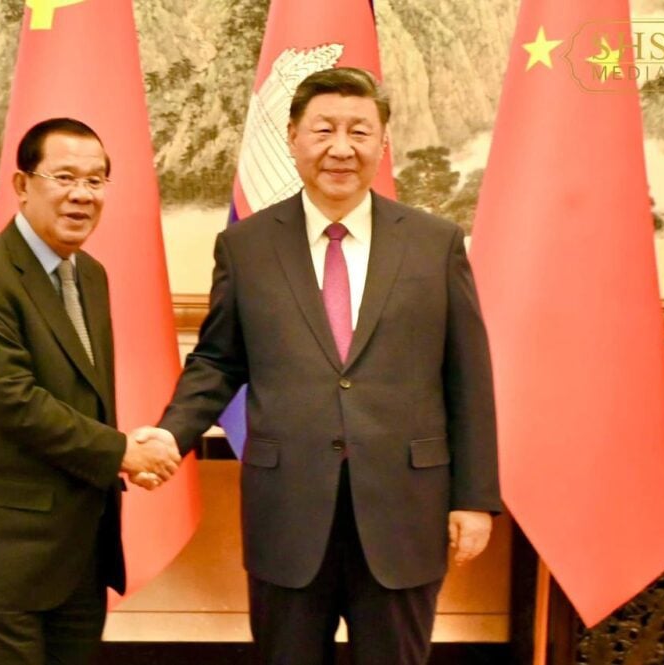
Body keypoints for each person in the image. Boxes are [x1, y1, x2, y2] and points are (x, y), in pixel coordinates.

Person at [155, 68, 501, 664]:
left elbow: (468, 379)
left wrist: (474, 498)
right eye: (323, 130)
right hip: (287, 513)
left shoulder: (434, 243)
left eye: (359, 131)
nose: (341, 148)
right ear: (293, 137)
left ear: (382, 143)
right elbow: (217, 360)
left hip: (403, 514)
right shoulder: (247, 246)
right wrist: (170, 433)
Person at [0, 118, 180, 665]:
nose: (82, 195)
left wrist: (126, 453)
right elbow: (13, 401)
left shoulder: (92, 276)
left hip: (77, 548)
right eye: (64, 177)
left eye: (96, 180)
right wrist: (123, 452)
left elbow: (81, 399)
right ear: (21, 185)